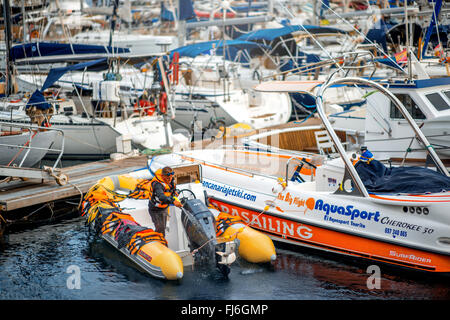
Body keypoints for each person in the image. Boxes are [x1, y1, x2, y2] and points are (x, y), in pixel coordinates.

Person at [148, 166, 182, 237]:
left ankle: (160, 240)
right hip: (155, 210)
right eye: (167, 178)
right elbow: (161, 197)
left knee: (163, 226)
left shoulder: (170, 179)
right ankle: (159, 243)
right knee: (160, 229)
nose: (169, 180)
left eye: (171, 178)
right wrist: (173, 201)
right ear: (162, 176)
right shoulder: (157, 185)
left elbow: (171, 186)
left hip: (164, 208)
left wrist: (174, 191)